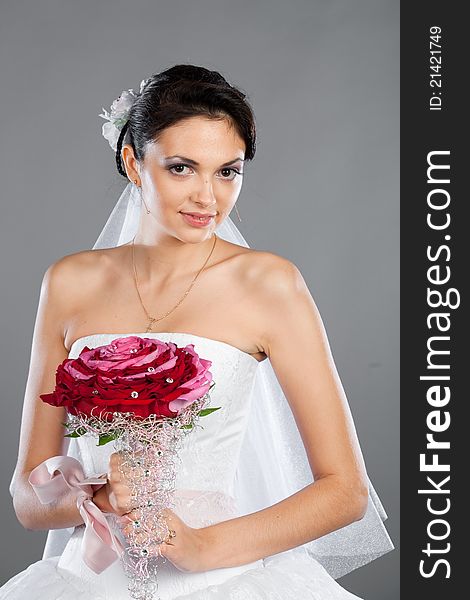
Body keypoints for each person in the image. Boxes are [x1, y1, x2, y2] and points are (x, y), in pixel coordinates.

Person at [0, 64, 393, 599]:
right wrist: (97, 499)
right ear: (133, 162)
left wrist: (205, 547)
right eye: (182, 168)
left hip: (220, 579)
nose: (207, 198)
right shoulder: (69, 282)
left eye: (227, 172)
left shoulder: (268, 284)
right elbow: (27, 495)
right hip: (83, 581)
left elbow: (347, 492)